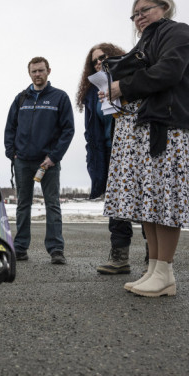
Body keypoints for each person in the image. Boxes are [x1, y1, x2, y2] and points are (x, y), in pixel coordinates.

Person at [99, 0, 189, 297]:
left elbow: (169, 71)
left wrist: (124, 85)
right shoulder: (145, 42)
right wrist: (112, 87)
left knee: (167, 200)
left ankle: (165, 270)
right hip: (148, 126)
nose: (139, 17)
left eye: (145, 10)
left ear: (164, 7)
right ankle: (154, 269)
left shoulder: (178, 31)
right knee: (150, 201)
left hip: (172, 125)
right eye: (135, 14)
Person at [76, 43, 148, 274]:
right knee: (116, 205)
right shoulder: (91, 93)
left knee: (143, 199)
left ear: (116, 57)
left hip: (132, 151)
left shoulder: (131, 81)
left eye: (103, 58)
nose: (98, 63)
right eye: (94, 61)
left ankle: (153, 253)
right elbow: (90, 129)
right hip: (105, 153)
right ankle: (119, 257)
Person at [4, 57, 75, 264]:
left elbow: (68, 130)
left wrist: (54, 157)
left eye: (41, 70)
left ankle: (56, 249)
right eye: (34, 71)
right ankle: (20, 248)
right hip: (23, 162)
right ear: (29, 73)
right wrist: (12, 153)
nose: (37, 74)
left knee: (52, 204)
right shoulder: (21, 99)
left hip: (48, 163)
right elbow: (10, 128)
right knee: (22, 205)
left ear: (48, 71)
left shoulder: (59, 98)